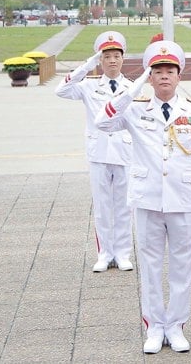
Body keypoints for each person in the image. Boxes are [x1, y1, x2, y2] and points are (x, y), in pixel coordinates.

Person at [95, 40, 191, 354]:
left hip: (184, 199)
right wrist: (131, 90)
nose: (164, 76)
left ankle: (175, 326)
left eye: (170, 71)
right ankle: (154, 327)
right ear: (149, 77)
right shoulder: (135, 110)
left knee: (182, 267)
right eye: (157, 71)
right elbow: (103, 121)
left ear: (179, 77)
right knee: (149, 267)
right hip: (148, 199)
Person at [56, 31, 135, 273]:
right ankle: (104, 253)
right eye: (106, 56)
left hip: (124, 152)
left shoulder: (132, 88)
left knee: (124, 206)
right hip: (99, 151)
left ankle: (122, 253)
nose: (112, 61)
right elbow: (61, 90)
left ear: (123, 59)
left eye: (116, 56)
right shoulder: (89, 86)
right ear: (100, 60)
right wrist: (87, 65)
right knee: (102, 207)